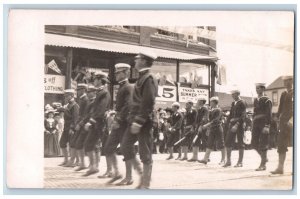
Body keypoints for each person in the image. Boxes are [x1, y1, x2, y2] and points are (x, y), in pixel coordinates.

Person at [121, 50, 158, 189]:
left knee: (145, 152)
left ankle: (145, 185)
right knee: (125, 146)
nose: (135, 61)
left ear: (143, 61)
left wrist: (139, 121)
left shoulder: (149, 78)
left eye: (137, 59)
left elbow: (148, 102)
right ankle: (142, 175)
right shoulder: (142, 77)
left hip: (143, 122)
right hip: (135, 120)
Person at [101, 63, 135, 186]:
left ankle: (129, 177)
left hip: (124, 123)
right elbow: (122, 106)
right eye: (115, 73)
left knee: (126, 149)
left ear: (126, 73)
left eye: (118, 73)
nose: (116, 75)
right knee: (108, 147)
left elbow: (129, 105)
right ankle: (116, 173)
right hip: (118, 123)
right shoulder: (121, 87)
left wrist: (118, 119)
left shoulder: (129, 87)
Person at [83, 72, 111, 176]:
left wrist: (90, 122)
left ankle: (110, 170)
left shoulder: (104, 92)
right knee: (88, 144)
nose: (94, 81)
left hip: (101, 124)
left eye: (95, 79)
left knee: (107, 147)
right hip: (96, 124)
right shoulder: (100, 92)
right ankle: (94, 167)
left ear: (100, 80)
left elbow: (101, 110)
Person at [271, 76, 293, 174]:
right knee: (281, 144)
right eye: (284, 80)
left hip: (293, 122)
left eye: (288, 80)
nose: (285, 82)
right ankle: (280, 168)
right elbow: (280, 108)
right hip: (283, 123)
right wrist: (276, 117)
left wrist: (292, 120)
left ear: (292, 80)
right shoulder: (284, 94)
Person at [64, 83, 89, 168]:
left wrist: (78, 124)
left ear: (83, 90)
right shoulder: (82, 99)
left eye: (79, 90)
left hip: (82, 125)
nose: (77, 92)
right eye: (77, 90)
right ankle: (78, 162)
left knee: (77, 143)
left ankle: (78, 162)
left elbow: (83, 115)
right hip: (79, 124)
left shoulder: (85, 99)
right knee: (75, 143)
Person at [198, 96, 226, 165]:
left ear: (214, 102)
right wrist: (208, 128)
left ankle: (223, 159)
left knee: (221, 144)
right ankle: (205, 159)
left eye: (211, 102)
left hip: (218, 128)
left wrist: (207, 125)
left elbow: (216, 120)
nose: (210, 103)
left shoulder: (218, 110)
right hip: (212, 128)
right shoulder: (211, 110)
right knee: (209, 143)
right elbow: (210, 120)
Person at [223, 89, 247, 168]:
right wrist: (228, 122)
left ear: (238, 94)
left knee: (240, 142)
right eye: (232, 94)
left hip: (239, 125)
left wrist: (237, 124)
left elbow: (243, 115)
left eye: (234, 94)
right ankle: (229, 161)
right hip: (232, 124)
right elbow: (231, 115)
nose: (232, 96)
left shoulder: (242, 102)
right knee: (227, 142)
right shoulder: (233, 103)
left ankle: (240, 162)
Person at [252, 83, 272, 171]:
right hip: (256, 123)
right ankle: (264, 158)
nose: (257, 90)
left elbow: (269, 114)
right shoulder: (256, 100)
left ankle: (263, 165)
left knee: (263, 143)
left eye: (258, 88)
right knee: (253, 143)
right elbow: (255, 112)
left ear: (263, 89)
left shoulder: (267, 100)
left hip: (263, 123)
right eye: (256, 88)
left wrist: (267, 125)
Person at [58, 89, 80, 166]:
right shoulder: (67, 105)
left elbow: (75, 118)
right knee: (62, 143)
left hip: (71, 128)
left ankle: (76, 161)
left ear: (72, 96)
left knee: (72, 144)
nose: (66, 97)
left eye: (67, 96)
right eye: (65, 96)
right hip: (66, 128)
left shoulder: (75, 105)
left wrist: (72, 128)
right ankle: (66, 160)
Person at [188, 97, 209, 162]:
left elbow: (205, 118)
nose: (197, 101)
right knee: (195, 141)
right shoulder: (199, 109)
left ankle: (207, 157)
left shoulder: (205, 109)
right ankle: (195, 157)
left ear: (202, 101)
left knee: (205, 141)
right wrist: (193, 127)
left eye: (198, 100)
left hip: (203, 127)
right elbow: (196, 120)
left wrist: (201, 126)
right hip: (197, 127)